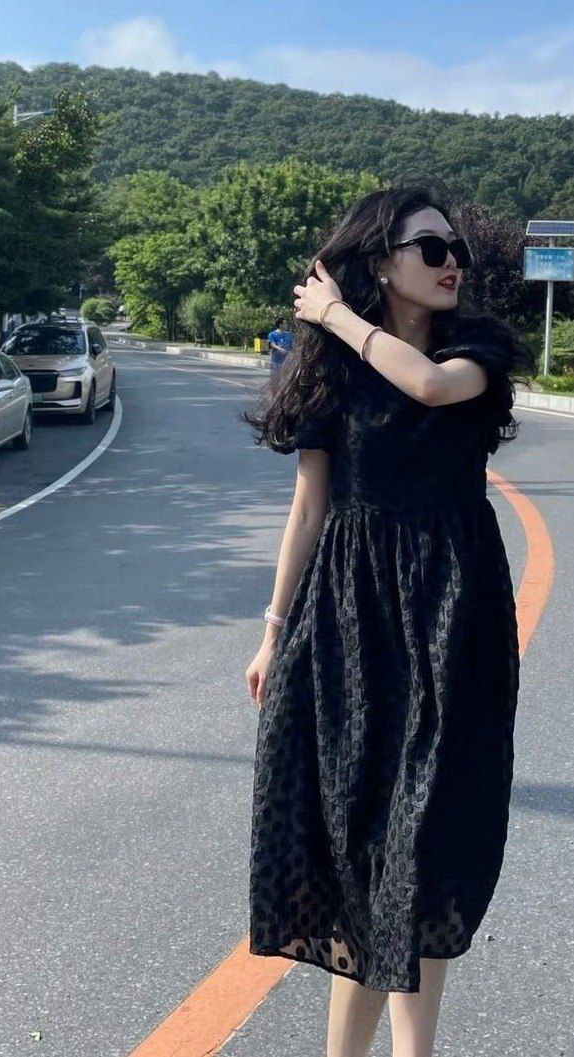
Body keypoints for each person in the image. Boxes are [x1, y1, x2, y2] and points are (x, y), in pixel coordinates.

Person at [241, 177, 536, 1057]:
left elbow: (430, 388)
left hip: (452, 614)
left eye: (457, 250)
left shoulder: (474, 348)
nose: (451, 264)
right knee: (361, 850)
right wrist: (272, 631)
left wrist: (334, 315)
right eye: (430, 248)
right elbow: (308, 507)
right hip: (350, 616)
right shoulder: (329, 370)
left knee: (423, 848)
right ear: (381, 261)